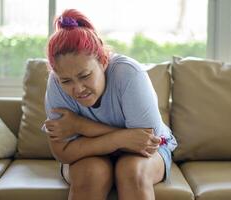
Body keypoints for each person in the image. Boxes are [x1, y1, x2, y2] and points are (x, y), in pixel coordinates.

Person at [42, 9, 177, 200]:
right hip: (92, 157)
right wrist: (122, 138)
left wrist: (80, 126)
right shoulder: (55, 83)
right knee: (90, 174)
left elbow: (145, 142)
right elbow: (62, 152)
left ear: (103, 61)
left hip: (152, 149)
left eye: (85, 76)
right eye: (66, 81)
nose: (78, 88)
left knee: (131, 171)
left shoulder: (129, 74)